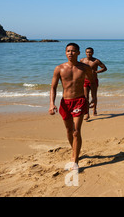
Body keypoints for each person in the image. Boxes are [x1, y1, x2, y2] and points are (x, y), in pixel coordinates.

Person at [49, 43, 96, 171]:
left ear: (78, 53)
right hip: (65, 102)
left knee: (76, 131)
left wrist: (94, 97)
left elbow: (92, 82)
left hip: (79, 101)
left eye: (73, 51)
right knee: (69, 131)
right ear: (65, 53)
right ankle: (75, 151)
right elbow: (53, 87)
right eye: (68, 51)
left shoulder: (85, 68)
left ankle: (75, 160)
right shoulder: (59, 68)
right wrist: (52, 103)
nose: (70, 53)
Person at [80, 47, 107, 119]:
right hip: (85, 80)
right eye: (87, 52)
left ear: (92, 53)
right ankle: (87, 114)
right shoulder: (82, 60)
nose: (88, 53)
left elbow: (104, 68)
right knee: (86, 97)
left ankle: (94, 109)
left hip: (93, 80)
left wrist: (96, 72)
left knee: (93, 96)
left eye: (90, 52)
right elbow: (78, 69)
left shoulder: (96, 61)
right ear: (85, 53)